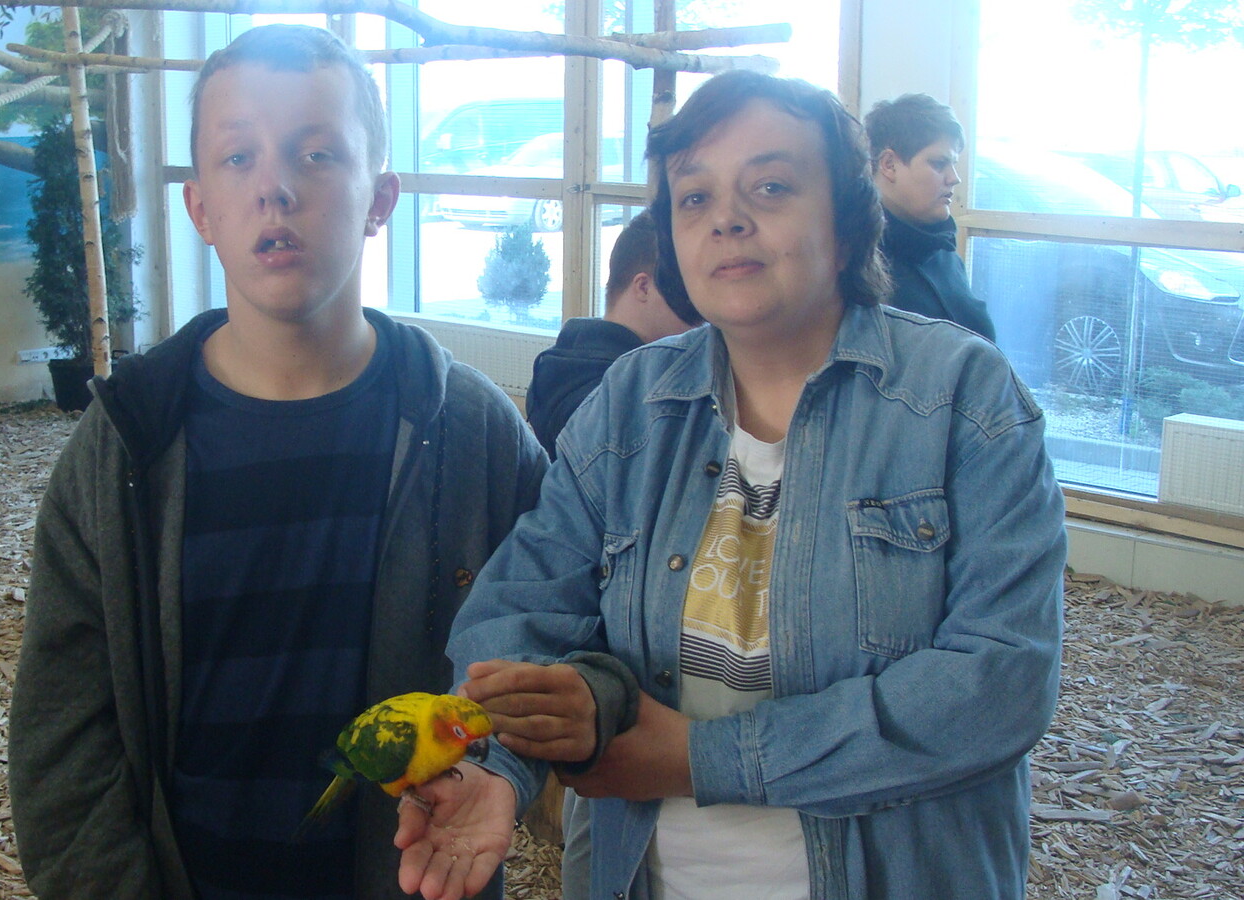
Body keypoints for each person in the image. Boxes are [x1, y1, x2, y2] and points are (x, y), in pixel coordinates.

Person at [397, 71, 1067, 900]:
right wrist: (494, 760)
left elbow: (1000, 683)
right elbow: (521, 608)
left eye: (771, 187)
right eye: (694, 197)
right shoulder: (634, 403)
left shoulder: (962, 398)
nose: (726, 218)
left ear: (849, 223)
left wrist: (700, 758)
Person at [7, 24, 547, 900]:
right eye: (238, 158)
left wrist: (507, 773)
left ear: (380, 198)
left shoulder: (471, 432)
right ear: (200, 209)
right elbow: (62, 736)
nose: (276, 188)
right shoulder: (127, 445)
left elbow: (556, 633)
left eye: (317, 154)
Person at [524, 209, 697, 457]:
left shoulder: (565, 359)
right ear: (644, 287)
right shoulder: (611, 399)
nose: (705, 315)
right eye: (690, 295)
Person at [864, 93, 997, 340]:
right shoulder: (853, 259)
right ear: (889, 164)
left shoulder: (942, 249)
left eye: (953, 164)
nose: (954, 178)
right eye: (938, 163)